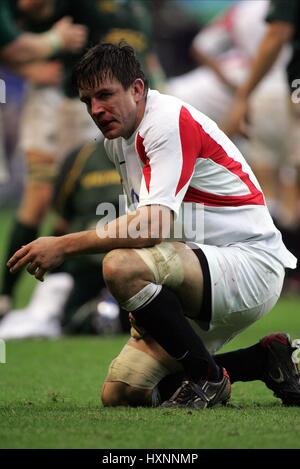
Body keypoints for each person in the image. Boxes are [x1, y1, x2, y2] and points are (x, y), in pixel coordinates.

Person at [7, 43, 300, 409]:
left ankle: (207, 380)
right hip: (199, 271)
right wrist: (146, 306)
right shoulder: (119, 141)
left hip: (248, 265)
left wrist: (63, 245)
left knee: (119, 265)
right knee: (123, 392)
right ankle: (266, 359)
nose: (96, 110)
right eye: (87, 101)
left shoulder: (166, 122)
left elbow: (150, 228)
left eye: (105, 95)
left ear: (137, 89)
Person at [222, 0, 300, 228]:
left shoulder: (240, 12)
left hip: (268, 90)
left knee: (267, 180)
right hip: (282, 89)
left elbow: (278, 33)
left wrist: (241, 96)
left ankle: (275, 245)